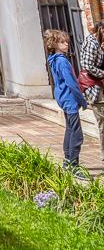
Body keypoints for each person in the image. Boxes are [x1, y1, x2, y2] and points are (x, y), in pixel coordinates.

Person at [44, 28, 87, 170]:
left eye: (66, 42)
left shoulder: (54, 59)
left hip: (63, 97)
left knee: (70, 129)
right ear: (54, 44)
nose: (66, 44)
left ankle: (68, 160)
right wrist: (82, 100)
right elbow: (72, 83)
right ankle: (73, 165)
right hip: (69, 98)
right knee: (76, 134)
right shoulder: (61, 61)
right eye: (62, 42)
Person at [79, 19, 104, 159]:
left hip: (99, 85)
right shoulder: (91, 43)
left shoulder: (98, 43)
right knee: (103, 123)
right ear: (102, 30)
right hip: (95, 89)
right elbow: (87, 66)